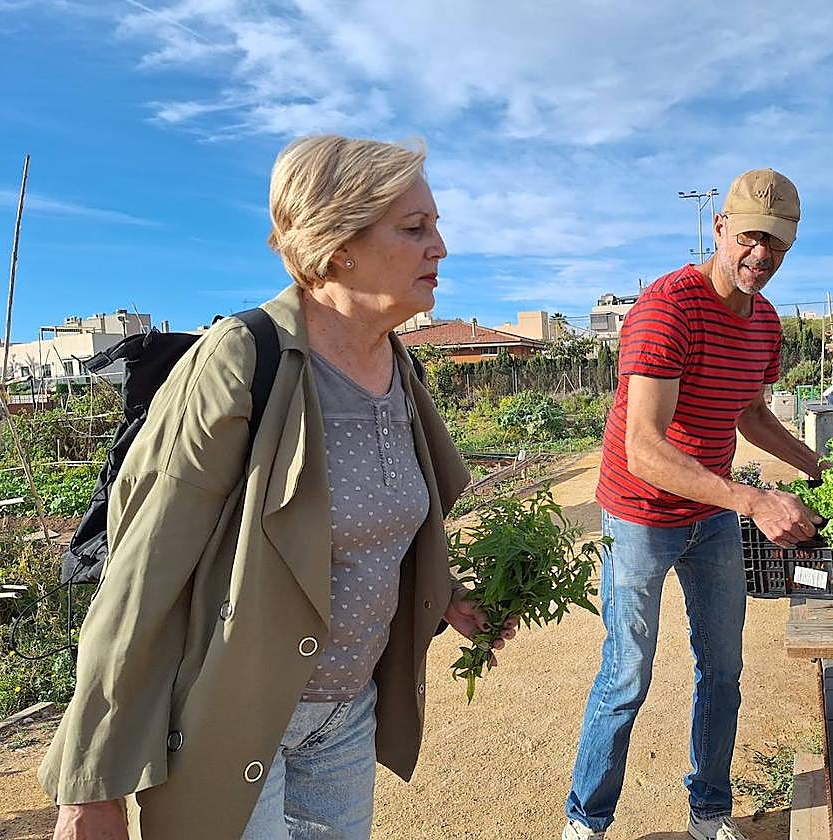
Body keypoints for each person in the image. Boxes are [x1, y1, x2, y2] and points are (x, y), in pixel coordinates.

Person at [40, 135, 515, 840]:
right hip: (230, 716)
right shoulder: (241, 358)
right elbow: (142, 574)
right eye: (415, 228)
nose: (440, 246)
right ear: (337, 244)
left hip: (347, 712)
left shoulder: (399, 371)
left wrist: (445, 596)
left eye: (435, 225)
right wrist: (91, 784)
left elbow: (386, 523)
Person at [562, 169, 824, 840]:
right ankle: (586, 821)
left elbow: (752, 415)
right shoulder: (666, 308)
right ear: (719, 229)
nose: (761, 257)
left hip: (708, 518)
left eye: (778, 247)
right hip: (640, 516)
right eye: (749, 238)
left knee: (724, 670)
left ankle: (709, 811)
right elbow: (643, 449)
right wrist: (752, 498)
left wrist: (814, 465)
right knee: (626, 677)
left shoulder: (764, 322)